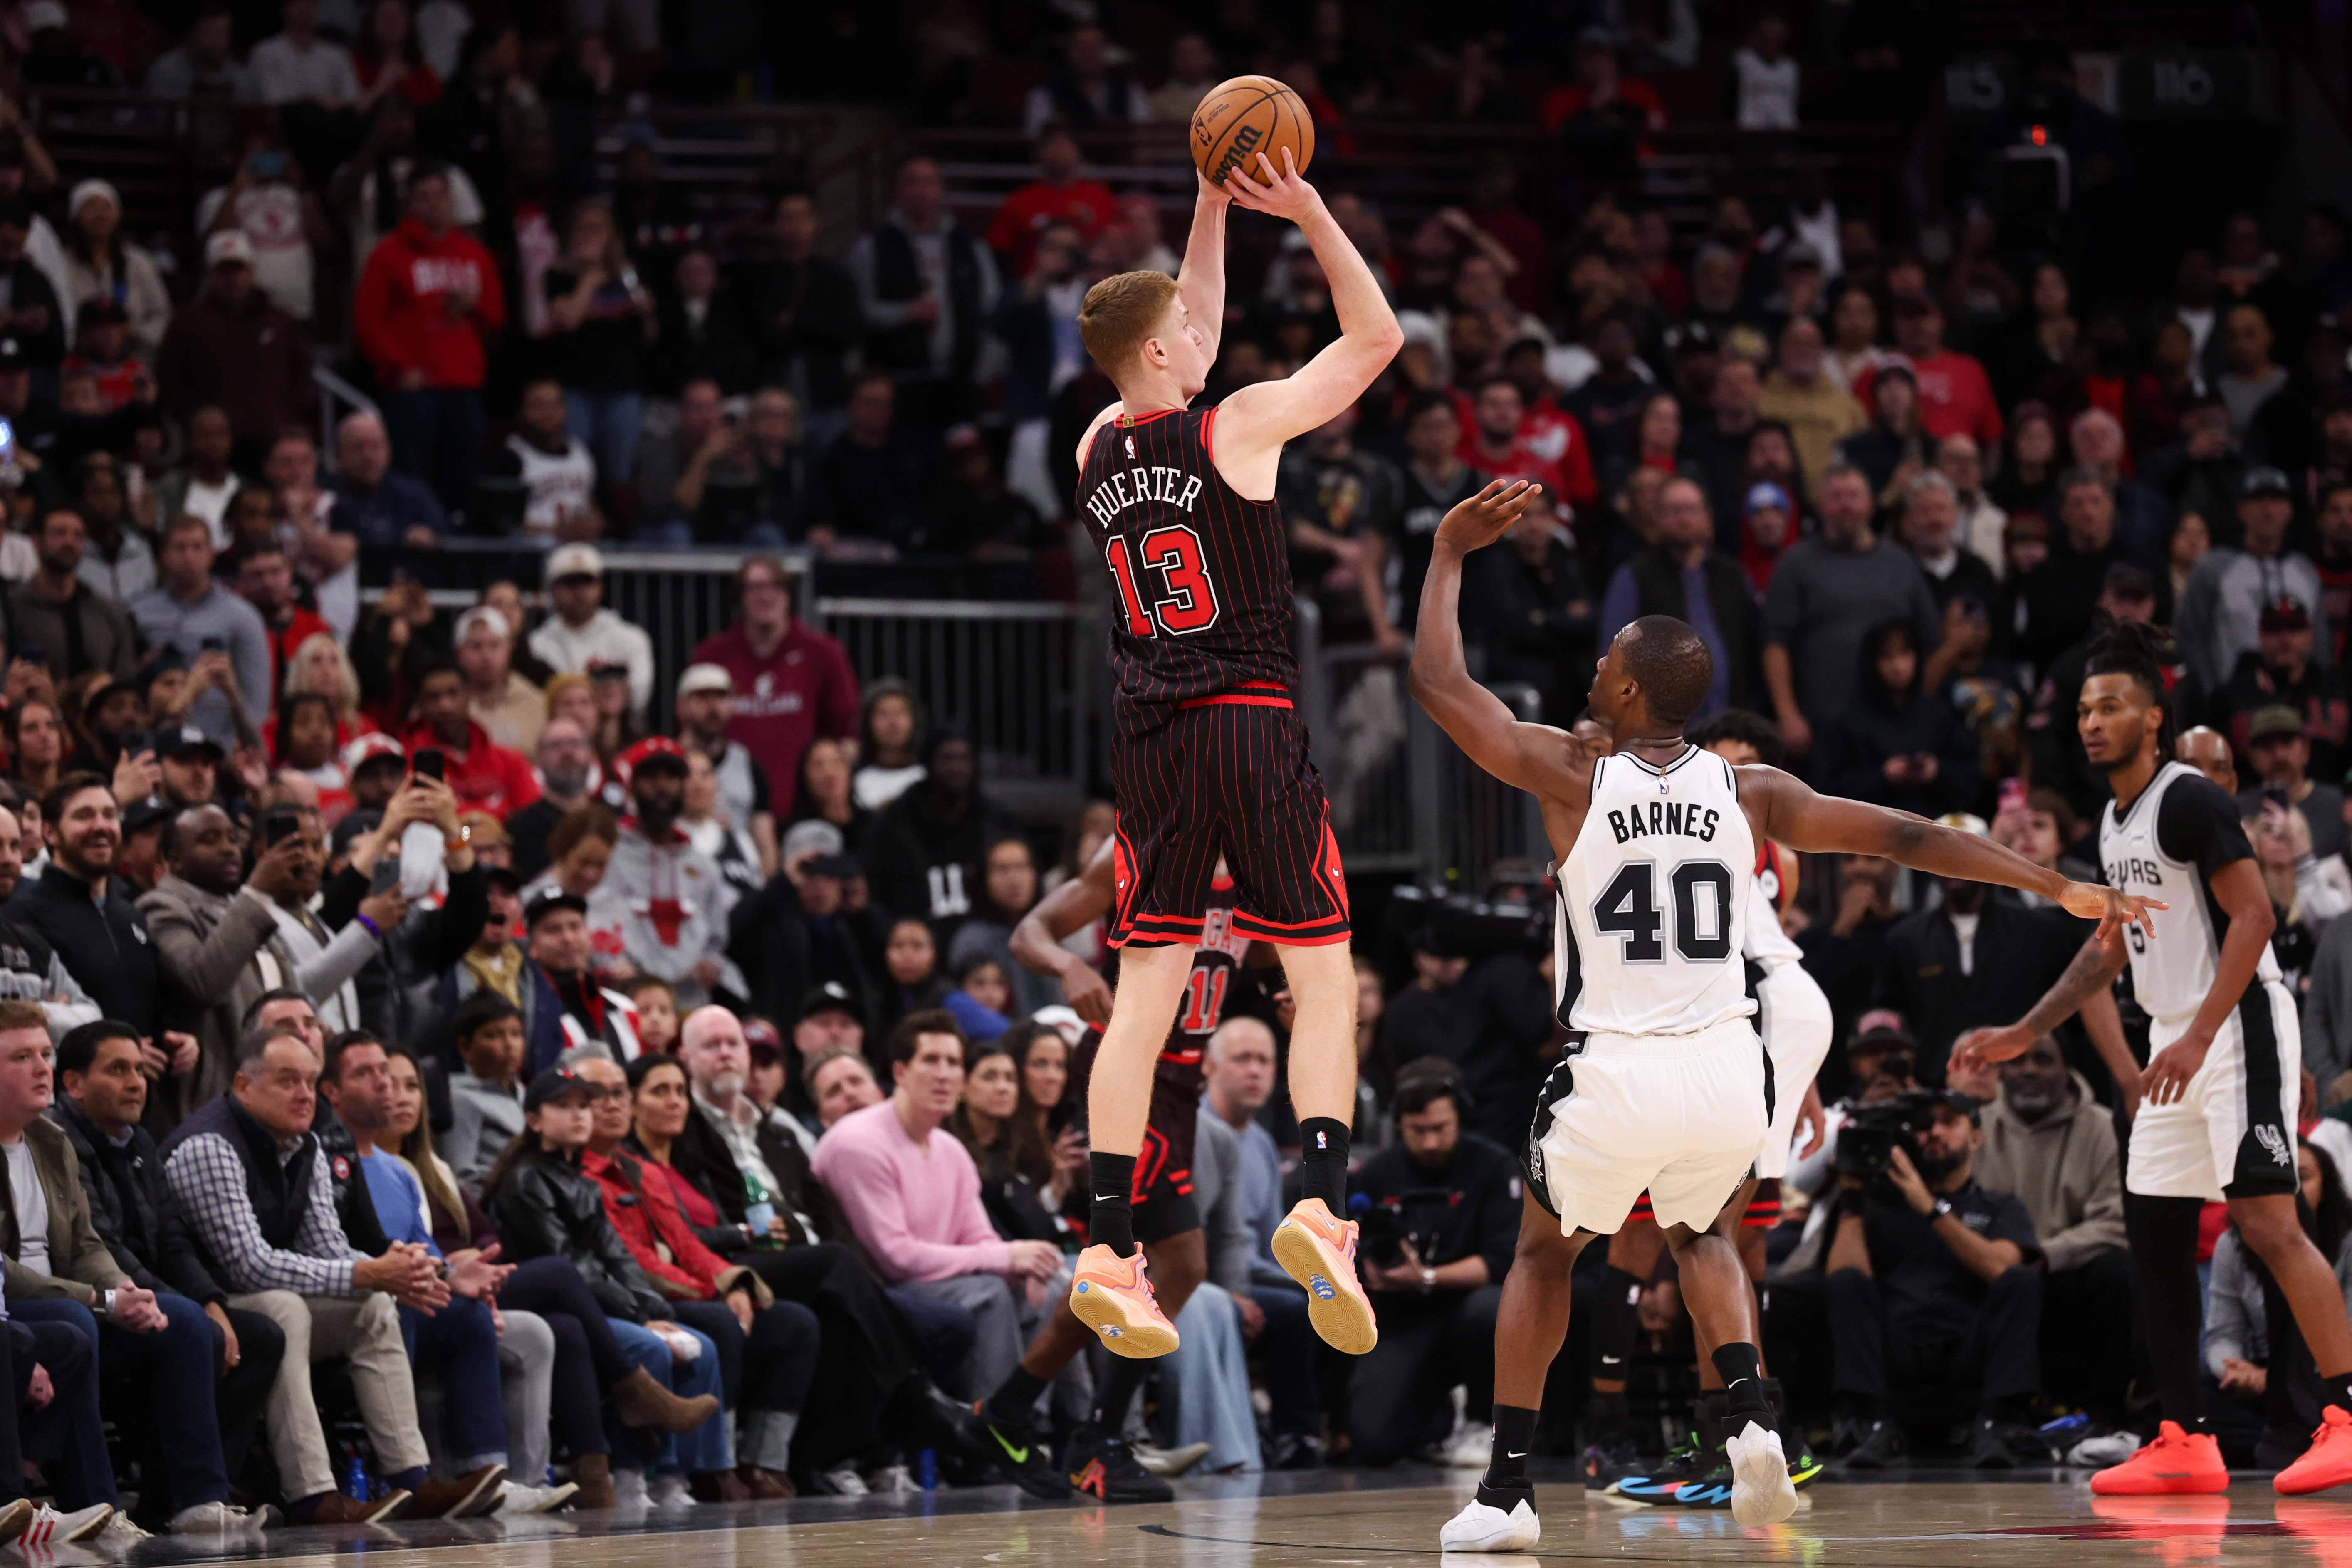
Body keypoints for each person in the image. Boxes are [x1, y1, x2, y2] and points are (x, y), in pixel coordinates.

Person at [1408, 480, 2159, 1547]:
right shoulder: (1747, 791)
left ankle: (1506, 1489)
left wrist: (1447, 551)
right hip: (1727, 1071)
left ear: (1622, 688)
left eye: (1602, 659)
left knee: (1542, 1256)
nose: (1590, 667)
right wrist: (2056, 883)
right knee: (1702, 1233)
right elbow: (1906, 835)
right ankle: (1750, 1417)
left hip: (1621, 1064)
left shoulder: (1570, 772)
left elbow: (1437, 681)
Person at [1067, 143, 1399, 1364]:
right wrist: (1304, 209)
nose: (1208, 333)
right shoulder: (1240, 427)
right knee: (1319, 972)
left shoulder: (1099, 443)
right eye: (1189, 331)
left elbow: (1178, 319)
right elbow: (1374, 343)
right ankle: (1321, 1199)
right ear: (1166, 350)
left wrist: (1208, 201)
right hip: (1251, 724)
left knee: (1144, 999)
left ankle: (1107, 1246)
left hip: (1148, 740)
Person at [1954, 620, 2352, 1497]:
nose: (2092, 721)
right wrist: (2025, 1030)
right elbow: (2108, 952)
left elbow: (2252, 918)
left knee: (2265, 1222)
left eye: (2113, 706)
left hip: (2236, 1022)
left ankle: (2343, 1412)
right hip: (2175, 1032)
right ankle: (2183, 1436)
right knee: (2156, 1230)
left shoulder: (2188, 800)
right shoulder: (2111, 820)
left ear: (2153, 718)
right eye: (2086, 708)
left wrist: (2201, 1033)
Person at [158, 1026, 505, 1522]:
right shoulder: (209, 1145)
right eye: (287, 1081)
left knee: (371, 1307)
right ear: (243, 1085)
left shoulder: (307, 1145)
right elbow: (248, 1264)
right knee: (286, 1307)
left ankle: (413, 1481)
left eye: (309, 1080)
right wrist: (368, 1270)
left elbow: (328, 1246)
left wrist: (398, 1275)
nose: (304, 1094)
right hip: (206, 1301)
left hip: (265, 1294)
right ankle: (313, 1495)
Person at [0, 1006, 262, 1539]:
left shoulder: (51, 1142)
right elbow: (3, 1271)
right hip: (27, 1305)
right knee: (74, 1321)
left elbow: (88, 1243)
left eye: (45, 1054)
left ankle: (196, 1500)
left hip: (77, 1305)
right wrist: (101, 1301)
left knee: (185, 1320)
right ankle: (98, 1507)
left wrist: (124, 1289)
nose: (41, 1068)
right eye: (21, 1057)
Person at [312, 1033, 542, 1510]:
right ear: (330, 1092)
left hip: (400, 1295)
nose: (385, 1084)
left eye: (387, 1072)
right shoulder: (320, 1157)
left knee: (466, 1314)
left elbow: (426, 1251)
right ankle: (402, 1475)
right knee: (400, 1312)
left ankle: (484, 1471)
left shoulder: (399, 1170)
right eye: (366, 1073)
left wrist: (456, 1277)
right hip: (355, 1298)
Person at [480, 1066, 728, 1509]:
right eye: (563, 1105)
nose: (579, 1114)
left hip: (597, 1304)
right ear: (535, 1119)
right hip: (560, 1307)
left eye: (583, 1105)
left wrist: (657, 1311)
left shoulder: (583, 1181)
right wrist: (639, 1318)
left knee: (699, 1343)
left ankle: (677, 1478)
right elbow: (570, 1269)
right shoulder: (526, 1180)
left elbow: (619, 1258)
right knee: (649, 1346)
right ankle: (632, 1477)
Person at [573, 1052, 816, 1498]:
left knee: (796, 1322)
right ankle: (711, 1465)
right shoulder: (579, 1175)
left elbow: (687, 1245)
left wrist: (736, 1281)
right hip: (634, 1295)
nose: (612, 1105)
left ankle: (762, 1462)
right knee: (720, 1321)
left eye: (619, 1095)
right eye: (597, 1096)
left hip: (671, 1290)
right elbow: (635, 1261)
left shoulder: (644, 1172)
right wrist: (713, 1291)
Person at [811, 1014, 1063, 1412]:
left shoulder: (951, 1150)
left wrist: (1020, 1267)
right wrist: (1003, 1258)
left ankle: (1067, 1431)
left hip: (938, 1279)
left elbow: (980, 1239)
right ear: (900, 1072)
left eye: (952, 1063)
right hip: (877, 1289)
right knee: (990, 1294)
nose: (944, 1075)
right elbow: (895, 1258)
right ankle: (993, 1438)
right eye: (931, 1061)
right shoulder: (858, 1143)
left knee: (1052, 1291)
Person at [1818, 1090, 2047, 1467]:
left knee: (2020, 1282)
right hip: (1900, 1347)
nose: (1934, 1133)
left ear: (1976, 1136)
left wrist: (1930, 1208)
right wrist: (1852, 1199)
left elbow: (2000, 1268)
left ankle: (1996, 1423)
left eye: (1949, 1122)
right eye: (1925, 1126)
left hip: (1967, 1349)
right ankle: (1873, 1424)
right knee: (1845, 1283)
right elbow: (1843, 1277)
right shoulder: (1882, 1206)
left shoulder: (1999, 1206)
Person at [1344, 1064, 1518, 1466]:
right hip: (1404, 1319)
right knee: (1373, 1443)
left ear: (1459, 1117)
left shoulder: (1494, 1167)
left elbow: (1503, 1261)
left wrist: (1424, 1277)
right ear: (1399, 1125)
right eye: (1417, 1130)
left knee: (1491, 1307)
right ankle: (1436, 1414)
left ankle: (1480, 1419)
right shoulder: (1377, 1175)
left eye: (1440, 1127)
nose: (1430, 1140)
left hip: (1471, 1308)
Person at [1961, 1032, 2134, 1425]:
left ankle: (2103, 1417)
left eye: (2042, 1060)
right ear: (2000, 1072)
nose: (2029, 1071)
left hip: (2064, 1273)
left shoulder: (2101, 1127)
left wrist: (2045, 1255)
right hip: (1990, 1274)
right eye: (2017, 1062)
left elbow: (2115, 1221)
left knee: (2117, 1272)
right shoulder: (1975, 1128)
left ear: (2066, 1070)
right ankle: (1984, 1419)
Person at [1759, 462, 1941, 765]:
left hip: (1892, 729)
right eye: (1836, 496)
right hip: (1820, 728)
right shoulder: (1794, 564)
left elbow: (1928, 643)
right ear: (1819, 506)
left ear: (1870, 503)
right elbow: (1774, 644)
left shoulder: (1901, 563)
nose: (1846, 505)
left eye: (1853, 495)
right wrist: (1787, 714)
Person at [351, 166, 505, 509]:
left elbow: (497, 317)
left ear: (452, 201)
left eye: (440, 196)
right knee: (411, 476)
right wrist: (398, 367)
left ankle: (456, 540)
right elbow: (367, 321)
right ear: (409, 205)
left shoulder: (474, 254)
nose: (434, 204)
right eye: (424, 197)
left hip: (463, 383)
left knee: (462, 476)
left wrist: (473, 305)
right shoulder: (388, 254)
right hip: (414, 386)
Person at [154, 233, 313, 467]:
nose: (232, 279)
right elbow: (170, 377)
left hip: (271, 442)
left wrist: (287, 419)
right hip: (213, 448)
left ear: (251, 270)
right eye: (223, 270)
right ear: (209, 273)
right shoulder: (187, 323)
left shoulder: (280, 321)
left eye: (238, 269)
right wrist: (195, 419)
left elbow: (302, 374)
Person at [127, 517, 270, 752]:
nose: (188, 557)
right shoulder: (139, 614)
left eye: (198, 547)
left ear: (212, 554)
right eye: (180, 548)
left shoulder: (243, 617)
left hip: (223, 746)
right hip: (158, 741)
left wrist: (246, 746)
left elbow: (257, 698)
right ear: (163, 555)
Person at [9, 509, 139, 682]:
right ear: (36, 540)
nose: (69, 541)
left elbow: (126, 678)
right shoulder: (12, 607)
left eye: (78, 535)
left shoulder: (107, 612)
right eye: (60, 533)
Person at [527, 544, 655, 718]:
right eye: (570, 583)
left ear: (601, 587)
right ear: (553, 589)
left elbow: (638, 698)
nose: (580, 591)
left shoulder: (630, 638)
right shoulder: (536, 646)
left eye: (587, 582)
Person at [453, 605, 542, 757]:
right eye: (476, 647)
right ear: (459, 653)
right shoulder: (446, 703)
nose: (486, 656)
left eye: (495, 645)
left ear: (509, 650)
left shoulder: (536, 702)